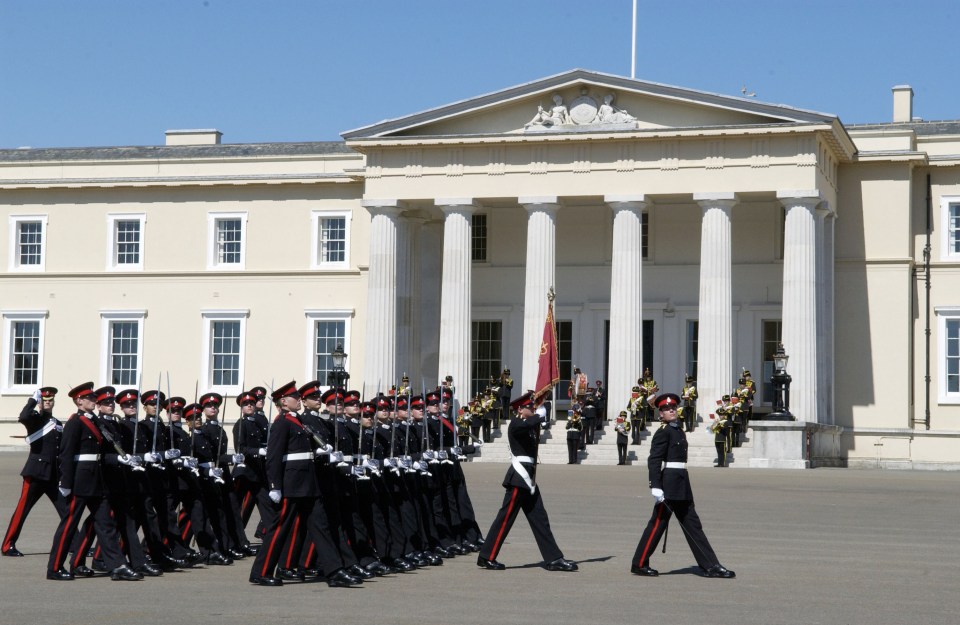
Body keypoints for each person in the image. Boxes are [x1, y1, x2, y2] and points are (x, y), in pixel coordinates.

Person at [630, 393, 735, 578]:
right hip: (669, 484)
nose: (671, 410)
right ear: (660, 414)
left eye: (672, 408)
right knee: (657, 525)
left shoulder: (678, 429)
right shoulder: (663, 431)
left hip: (682, 482)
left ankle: (710, 565)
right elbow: (654, 459)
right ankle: (639, 563)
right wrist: (655, 485)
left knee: (693, 525)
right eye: (666, 409)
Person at [476, 391, 577, 572]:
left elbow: (532, 427)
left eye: (533, 406)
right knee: (505, 518)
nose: (533, 408)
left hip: (528, 478)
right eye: (530, 407)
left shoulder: (527, 424)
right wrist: (539, 416)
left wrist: (538, 416)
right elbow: (528, 424)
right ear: (521, 409)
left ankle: (553, 558)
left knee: (540, 519)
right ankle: (487, 557)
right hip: (519, 478)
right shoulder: (516, 424)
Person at [3, 387, 66, 557]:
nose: (48, 402)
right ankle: (7, 545)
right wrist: (32, 400)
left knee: (66, 511)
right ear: (40, 402)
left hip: (52, 475)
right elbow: (23, 416)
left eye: (50, 400)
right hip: (36, 473)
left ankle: (73, 543)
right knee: (22, 510)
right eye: (44, 400)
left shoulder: (57, 423)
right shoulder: (34, 419)